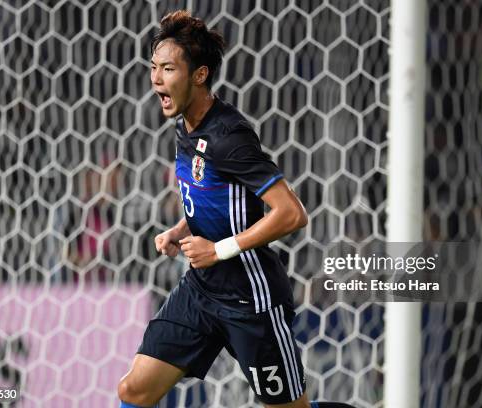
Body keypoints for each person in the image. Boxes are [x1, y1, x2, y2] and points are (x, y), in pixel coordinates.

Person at [118, 10, 355, 408]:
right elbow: (214, 194)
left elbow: (291, 213)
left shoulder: (230, 136)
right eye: (153, 67)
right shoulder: (184, 124)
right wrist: (182, 228)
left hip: (251, 299)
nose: (156, 79)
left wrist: (218, 250)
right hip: (200, 291)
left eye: (168, 69)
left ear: (199, 75)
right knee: (134, 391)